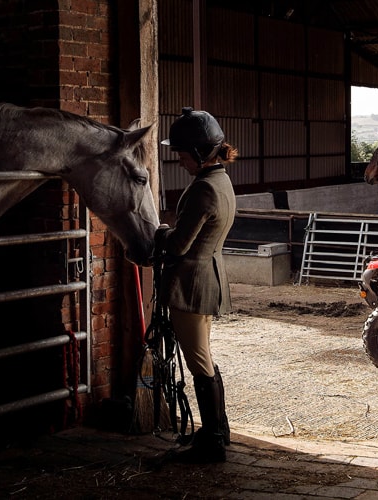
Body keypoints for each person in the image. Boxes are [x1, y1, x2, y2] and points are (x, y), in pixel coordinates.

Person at [153, 106, 237, 464]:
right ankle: (217, 429)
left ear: (201, 152)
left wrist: (159, 232)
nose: (181, 159)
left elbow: (178, 245)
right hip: (210, 277)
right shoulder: (222, 181)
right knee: (203, 356)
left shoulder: (203, 189)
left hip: (190, 284)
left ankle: (213, 439)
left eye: (183, 153)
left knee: (198, 360)